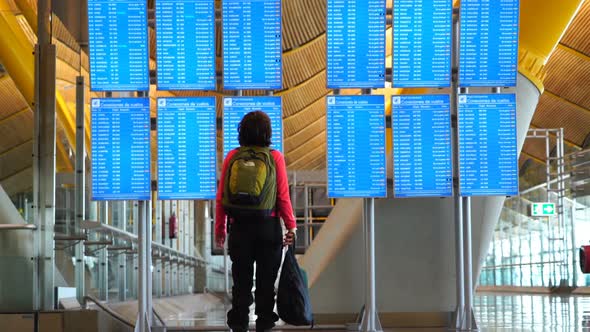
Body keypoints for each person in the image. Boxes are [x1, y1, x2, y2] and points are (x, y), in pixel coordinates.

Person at [215, 111, 297, 332]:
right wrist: (291, 226)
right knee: (266, 285)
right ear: (268, 133)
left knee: (241, 283)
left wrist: (220, 228)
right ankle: (264, 325)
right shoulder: (274, 157)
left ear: (242, 131)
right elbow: (282, 196)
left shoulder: (232, 157)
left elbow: (221, 196)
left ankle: (239, 326)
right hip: (268, 228)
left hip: (239, 229)